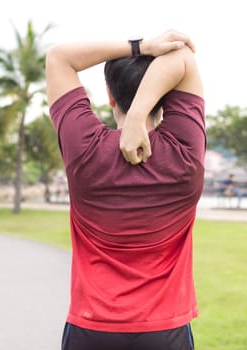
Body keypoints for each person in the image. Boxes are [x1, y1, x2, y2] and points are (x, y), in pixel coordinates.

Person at [46, 30, 204, 350]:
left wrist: (140, 47)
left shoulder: (84, 150)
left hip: (92, 329)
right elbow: (184, 57)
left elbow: (59, 57)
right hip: (166, 332)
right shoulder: (185, 154)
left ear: (109, 94)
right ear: (168, 93)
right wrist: (139, 115)